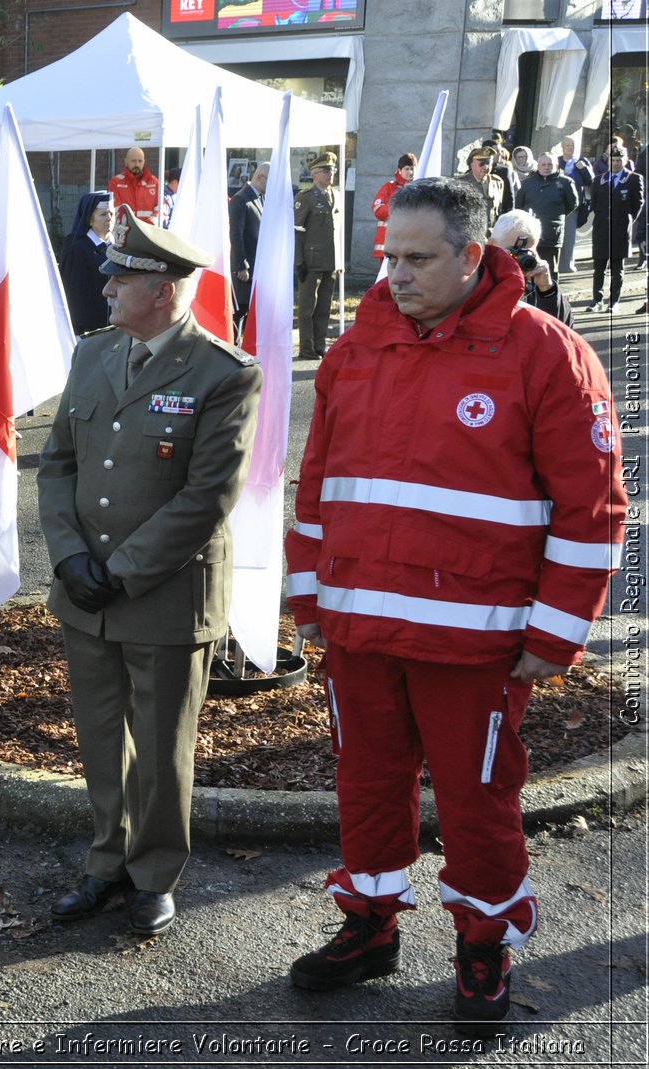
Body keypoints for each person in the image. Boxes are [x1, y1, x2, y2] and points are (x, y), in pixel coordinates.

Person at [285, 176, 624, 1034]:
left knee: (477, 802)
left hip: (473, 642)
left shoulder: (546, 353)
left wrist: (557, 631)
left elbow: (593, 509)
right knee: (364, 781)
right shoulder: (354, 351)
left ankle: (483, 944)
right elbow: (318, 483)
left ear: (473, 256)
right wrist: (307, 593)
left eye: (417, 258)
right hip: (361, 628)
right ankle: (369, 925)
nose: (395, 274)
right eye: (389, 256)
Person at [37, 206, 262, 937]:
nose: (104, 291)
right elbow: (58, 463)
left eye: (119, 279)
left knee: (162, 748)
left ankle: (154, 872)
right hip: (86, 590)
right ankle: (106, 861)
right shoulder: (94, 353)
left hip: (165, 593)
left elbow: (208, 496)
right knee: (101, 734)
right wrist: (70, 554)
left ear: (162, 290)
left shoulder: (224, 373)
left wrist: (122, 569)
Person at [295, 151, 342, 361]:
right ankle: (307, 348)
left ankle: (319, 346)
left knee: (324, 308)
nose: (330, 173)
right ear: (314, 173)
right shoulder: (305, 198)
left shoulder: (337, 195)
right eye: (326, 170)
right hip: (310, 262)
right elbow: (296, 231)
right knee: (307, 309)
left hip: (331, 261)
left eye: (332, 170)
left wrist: (340, 261)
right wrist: (298, 261)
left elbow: (338, 231)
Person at [489, 209, 574, 326]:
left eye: (526, 252)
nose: (518, 258)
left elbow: (562, 332)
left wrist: (547, 290)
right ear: (491, 244)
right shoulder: (473, 276)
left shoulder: (534, 277)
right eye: (512, 252)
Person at [588, 144, 645, 313]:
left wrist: (626, 220)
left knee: (617, 269)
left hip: (620, 231)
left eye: (619, 160)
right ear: (608, 161)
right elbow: (595, 203)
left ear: (625, 161)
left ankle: (614, 302)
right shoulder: (599, 180)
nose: (616, 163)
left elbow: (638, 204)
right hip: (601, 229)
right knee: (598, 268)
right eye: (613, 160)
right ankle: (597, 300)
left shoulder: (634, 179)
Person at [60, 191, 115, 335]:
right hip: (90, 331)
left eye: (112, 214)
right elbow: (75, 297)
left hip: (116, 328)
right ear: (89, 220)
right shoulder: (77, 248)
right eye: (103, 214)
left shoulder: (118, 247)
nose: (109, 218)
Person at [514, 153, 578, 268]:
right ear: (538, 166)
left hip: (552, 234)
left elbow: (572, 204)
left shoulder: (566, 183)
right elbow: (519, 205)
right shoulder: (528, 183)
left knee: (550, 270)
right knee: (528, 269)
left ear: (557, 165)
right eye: (543, 164)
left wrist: (555, 215)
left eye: (550, 164)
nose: (546, 167)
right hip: (530, 235)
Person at [228, 164, 269, 340]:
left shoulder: (259, 198)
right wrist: (241, 265)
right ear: (260, 178)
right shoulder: (241, 199)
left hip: (256, 267)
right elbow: (235, 234)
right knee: (239, 312)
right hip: (244, 268)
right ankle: (233, 350)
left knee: (248, 312)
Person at [558, 135, 595, 273]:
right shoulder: (557, 162)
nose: (570, 148)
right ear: (562, 147)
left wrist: (583, 168)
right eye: (568, 145)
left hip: (573, 205)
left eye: (573, 145)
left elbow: (591, 180)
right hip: (557, 205)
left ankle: (567, 266)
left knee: (569, 237)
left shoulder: (581, 161)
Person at [370, 153, 415, 259]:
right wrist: (399, 208)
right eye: (407, 169)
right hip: (389, 245)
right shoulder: (389, 187)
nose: (410, 172)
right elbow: (378, 210)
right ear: (400, 170)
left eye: (412, 169)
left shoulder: (420, 188)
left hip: (411, 243)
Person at [459, 146, 507, 238]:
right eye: (482, 164)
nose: (486, 167)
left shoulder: (498, 182)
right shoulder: (461, 183)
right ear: (472, 165)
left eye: (489, 163)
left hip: (491, 234)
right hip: (468, 234)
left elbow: (499, 209)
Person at [107, 147, 161, 226]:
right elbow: (115, 209)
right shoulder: (115, 183)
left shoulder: (155, 182)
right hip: (124, 232)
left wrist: (150, 224)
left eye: (140, 161)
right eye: (133, 161)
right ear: (126, 162)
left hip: (149, 231)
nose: (137, 164)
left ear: (144, 162)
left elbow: (161, 209)